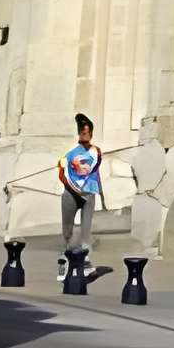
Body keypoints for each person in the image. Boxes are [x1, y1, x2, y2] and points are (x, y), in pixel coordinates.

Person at [57, 113, 102, 279]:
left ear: (91, 134)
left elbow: (95, 170)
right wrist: (73, 188)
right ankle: (65, 259)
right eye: (82, 133)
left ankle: (86, 262)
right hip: (71, 195)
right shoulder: (69, 154)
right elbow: (62, 173)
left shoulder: (96, 152)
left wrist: (94, 189)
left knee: (86, 231)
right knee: (67, 230)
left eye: (88, 133)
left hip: (88, 195)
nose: (85, 136)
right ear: (79, 133)